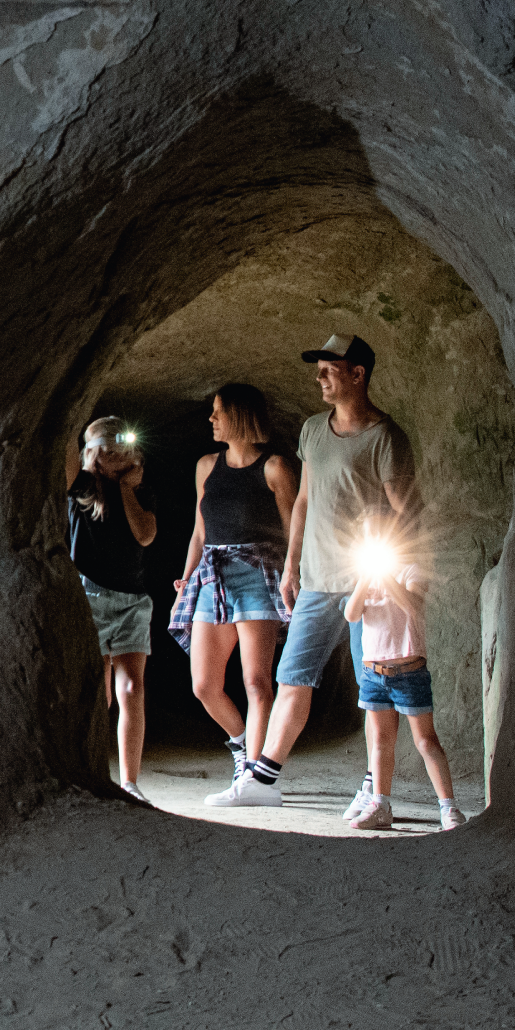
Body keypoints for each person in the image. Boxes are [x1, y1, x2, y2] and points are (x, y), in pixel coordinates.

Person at [217, 333, 420, 809]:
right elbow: (304, 501)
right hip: (316, 580)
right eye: (319, 369)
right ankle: (261, 781)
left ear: (358, 374)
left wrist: (394, 575)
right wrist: (292, 566)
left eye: (330, 369)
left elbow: (407, 512)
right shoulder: (312, 429)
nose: (319, 377)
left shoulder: (385, 437)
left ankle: (375, 785)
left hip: (367, 587)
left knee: (374, 690)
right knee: (293, 677)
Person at [168, 383, 297, 807]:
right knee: (204, 684)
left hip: (259, 573)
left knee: (257, 681)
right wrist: (186, 579)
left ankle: (257, 782)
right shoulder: (207, 465)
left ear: (239, 415)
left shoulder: (275, 467)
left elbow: (294, 529)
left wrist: (292, 574)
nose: (211, 418)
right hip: (212, 575)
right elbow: (199, 531)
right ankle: (243, 750)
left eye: (218, 411)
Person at [67, 416, 157, 799]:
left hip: (132, 600)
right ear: (93, 451)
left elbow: (146, 535)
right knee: (98, 691)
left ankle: (131, 784)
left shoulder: (138, 490)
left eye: (124, 442)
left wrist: (126, 489)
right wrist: (88, 444)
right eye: (109, 444)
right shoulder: (82, 485)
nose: (119, 449)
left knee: (132, 688)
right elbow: (66, 443)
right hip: (90, 597)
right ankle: (92, 773)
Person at [341, 566, 466, 831]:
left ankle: (450, 808)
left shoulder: (412, 572)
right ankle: (380, 806)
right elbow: (351, 615)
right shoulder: (364, 575)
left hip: (409, 673)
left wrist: (385, 574)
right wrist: (365, 579)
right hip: (373, 674)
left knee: (425, 740)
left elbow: (412, 606)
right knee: (381, 741)